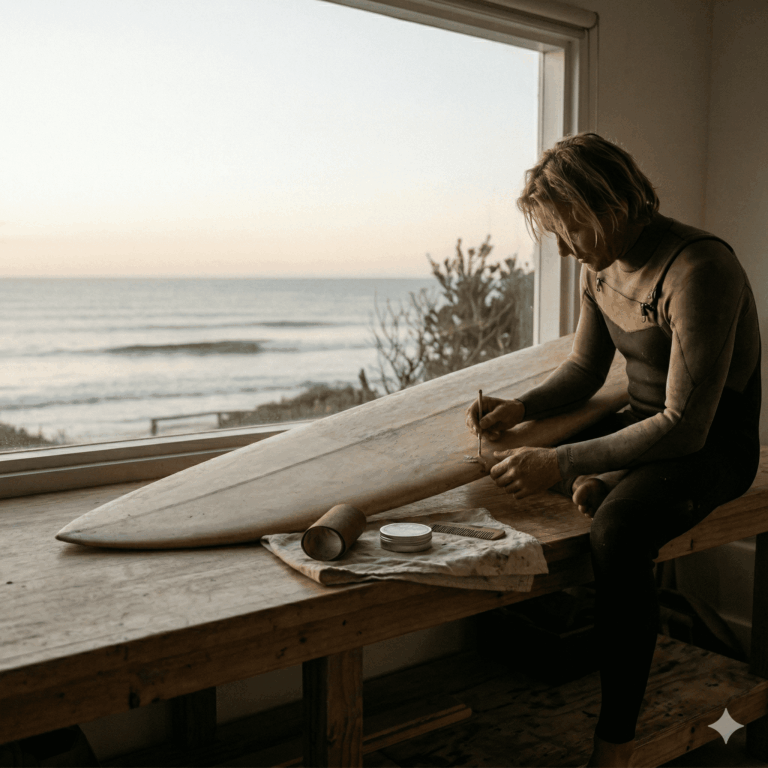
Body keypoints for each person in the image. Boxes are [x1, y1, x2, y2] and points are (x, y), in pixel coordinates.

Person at [466, 133, 762, 768]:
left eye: (572, 230)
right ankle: (610, 476)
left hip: (708, 443)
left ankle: (616, 741)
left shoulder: (701, 268)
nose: (568, 249)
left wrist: (566, 460)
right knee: (499, 467)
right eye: (557, 236)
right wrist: (521, 410)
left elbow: (685, 425)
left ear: (613, 202)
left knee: (618, 532)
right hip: (641, 424)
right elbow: (583, 371)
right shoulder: (597, 263)